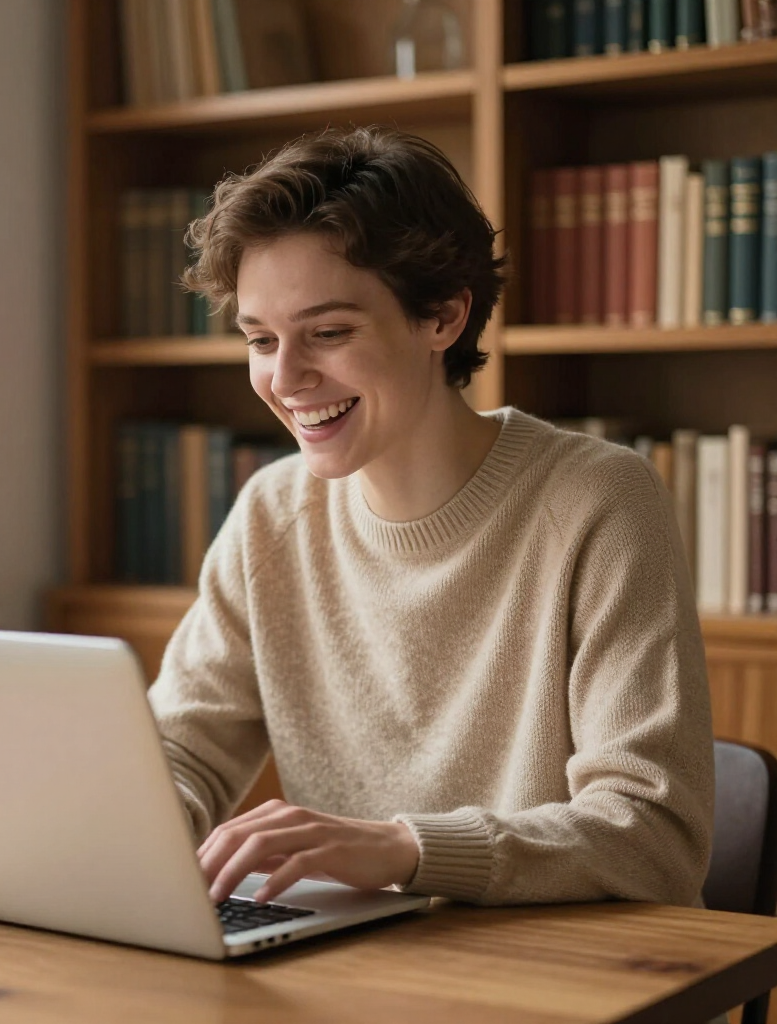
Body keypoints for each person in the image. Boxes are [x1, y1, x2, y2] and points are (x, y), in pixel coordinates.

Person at [147, 125, 714, 911]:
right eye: (260, 339)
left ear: (444, 316)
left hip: (561, 978)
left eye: (329, 333)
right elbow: (180, 753)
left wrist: (406, 849)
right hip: (362, 973)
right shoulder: (272, 514)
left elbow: (654, 837)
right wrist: (123, 826)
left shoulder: (599, 501)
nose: (285, 378)